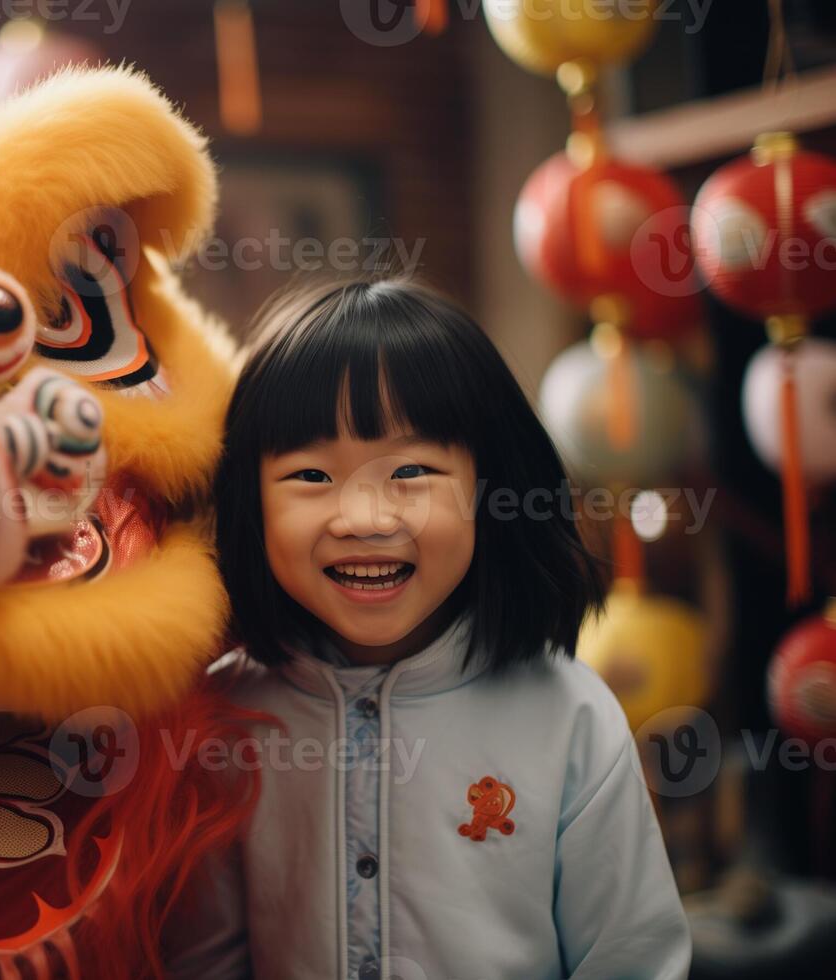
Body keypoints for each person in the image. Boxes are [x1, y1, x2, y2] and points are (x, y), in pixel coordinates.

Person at [164, 279, 691, 979]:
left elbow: (631, 958)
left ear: (488, 488)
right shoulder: (223, 721)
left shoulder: (569, 714)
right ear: (246, 503)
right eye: (311, 476)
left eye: (412, 470)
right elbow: (202, 962)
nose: (366, 518)